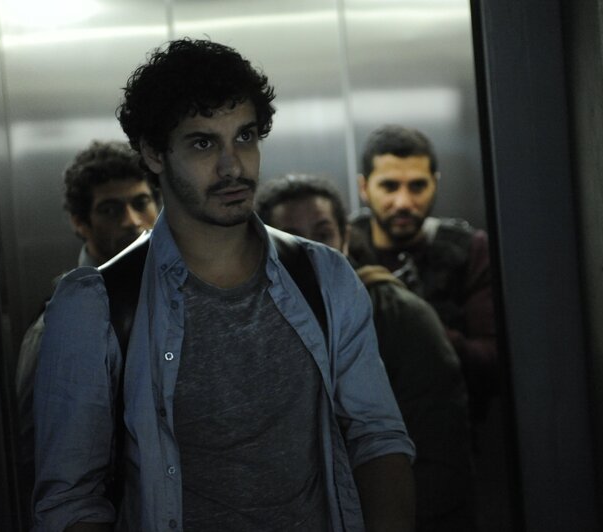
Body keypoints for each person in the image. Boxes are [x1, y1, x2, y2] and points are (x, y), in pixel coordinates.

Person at [32, 38, 415, 532]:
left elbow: (377, 437)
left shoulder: (324, 276)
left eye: (245, 137)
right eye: (203, 143)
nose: (233, 166)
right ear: (153, 153)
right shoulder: (94, 306)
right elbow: (71, 500)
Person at [257, 173, 477, 531]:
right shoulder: (256, 322)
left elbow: (438, 452)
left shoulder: (400, 316)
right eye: (291, 240)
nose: (311, 252)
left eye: (322, 234)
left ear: (344, 237)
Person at [14, 140, 159, 525]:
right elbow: (38, 459)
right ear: (81, 223)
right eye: (110, 209)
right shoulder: (60, 324)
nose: (132, 220)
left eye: (141, 202)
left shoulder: (165, 301)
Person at [349, 125, 498, 426]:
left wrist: (424, 329)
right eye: (389, 186)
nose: (404, 202)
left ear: (435, 184)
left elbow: (491, 359)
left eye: (417, 186)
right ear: (364, 188)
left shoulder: (467, 249)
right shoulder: (342, 248)